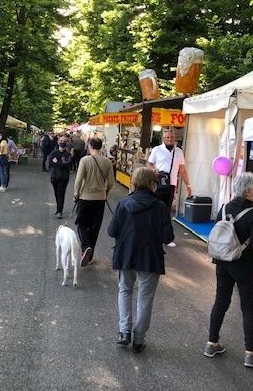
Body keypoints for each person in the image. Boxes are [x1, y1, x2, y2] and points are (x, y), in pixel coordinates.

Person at [204, 172, 253, 368]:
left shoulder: (224, 207)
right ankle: (250, 353)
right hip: (245, 267)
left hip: (223, 262)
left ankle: (212, 343)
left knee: (220, 302)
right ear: (248, 191)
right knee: (249, 308)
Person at [108, 167, 174, 353]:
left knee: (125, 290)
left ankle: (124, 332)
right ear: (153, 183)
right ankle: (139, 339)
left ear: (134, 182)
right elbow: (168, 238)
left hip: (126, 254)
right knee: (145, 298)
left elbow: (112, 231)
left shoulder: (123, 203)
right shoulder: (160, 207)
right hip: (150, 257)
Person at [73, 137, 114, 266]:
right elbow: (111, 182)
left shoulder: (85, 160)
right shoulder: (107, 162)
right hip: (100, 199)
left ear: (90, 146)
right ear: (100, 147)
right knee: (95, 227)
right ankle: (90, 256)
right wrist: (105, 193)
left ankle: (86, 247)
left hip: (85, 197)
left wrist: (76, 193)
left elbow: (79, 179)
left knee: (81, 223)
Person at [146, 128, 192, 210]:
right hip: (158, 183)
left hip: (171, 184)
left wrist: (188, 185)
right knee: (155, 207)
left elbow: (182, 170)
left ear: (175, 138)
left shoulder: (179, 151)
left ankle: (165, 223)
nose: (170, 139)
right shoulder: (157, 149)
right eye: (167, 137)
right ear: (163, 139)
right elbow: (148, 164)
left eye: (171, 137)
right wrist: (154, 170)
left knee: (167, 208)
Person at [48, 137, 72, 219]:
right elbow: (50, 163)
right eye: (61, 141)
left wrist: (57, 162)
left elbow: (67, 165)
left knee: (61, 194)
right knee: (56, 193)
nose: (63, 142)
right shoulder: (54, 152)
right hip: (54, 177)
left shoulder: (68, 154)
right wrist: (61, 163)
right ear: (58, 142)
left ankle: (59, 211)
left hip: (63, 178)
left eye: (64, 141)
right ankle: (58, 208)